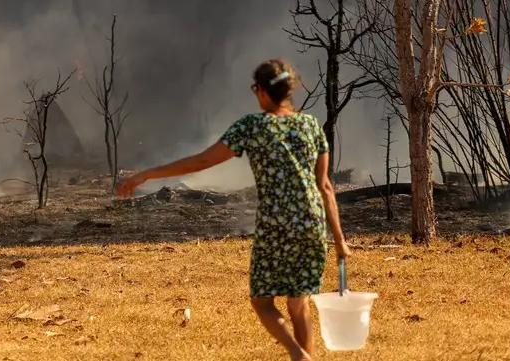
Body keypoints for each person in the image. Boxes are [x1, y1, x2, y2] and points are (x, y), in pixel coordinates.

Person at [116, 59, 350, 361]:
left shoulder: (251, 127)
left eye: (256, 89)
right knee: (298, 303)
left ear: (264, 92)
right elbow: (326, 187)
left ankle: (298, 355)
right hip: (312, 223)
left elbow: (202, 161)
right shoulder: (311, 126)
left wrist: (147, 174)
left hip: (275, 225)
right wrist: (340, 239)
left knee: (262, 302)